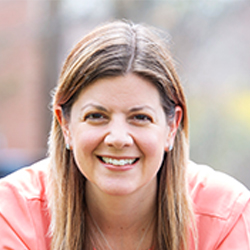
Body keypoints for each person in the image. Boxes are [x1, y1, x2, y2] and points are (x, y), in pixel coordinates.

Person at [0, 20, 249, 250]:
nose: (118, 139)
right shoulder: (12, 211)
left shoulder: (226, 215)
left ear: (172, 127)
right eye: (96, 116)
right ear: (65, 124)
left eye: (140, 118)